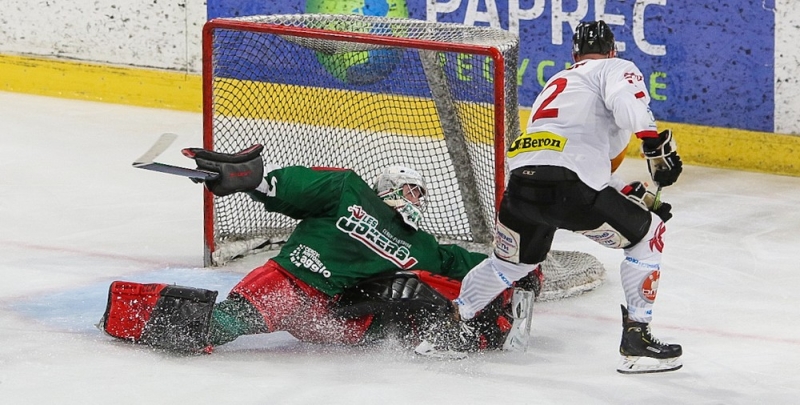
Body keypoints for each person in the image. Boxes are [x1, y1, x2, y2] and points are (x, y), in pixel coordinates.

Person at [420, 20, 684, 373]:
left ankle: (449, 329)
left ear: (574, 54)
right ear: (613, 51)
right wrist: (652, 144)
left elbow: (561, 155)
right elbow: (626, 99)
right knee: (648, 235)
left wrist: (626, 190)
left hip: (522, 187)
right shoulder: (615, 67)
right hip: (570, 191)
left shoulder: (557, 84)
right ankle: (637, 339)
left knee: (510, 264)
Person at [99, 144, 541, 355]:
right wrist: (256, 180)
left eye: (421, 193)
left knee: (410, 299)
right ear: (386, 188)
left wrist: (523, 265)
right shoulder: (349, 191)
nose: (417, 199)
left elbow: (476, 266)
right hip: (292, 284)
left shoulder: (423, 247)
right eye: (411, 189)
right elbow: (291, 187)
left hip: (334, 317)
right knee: (224, 325)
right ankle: (130, 313)